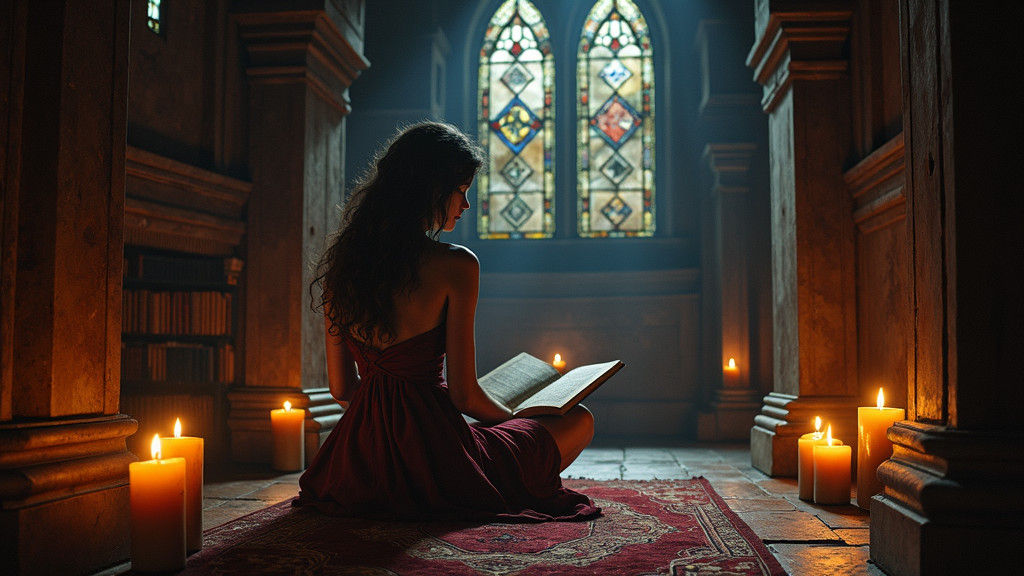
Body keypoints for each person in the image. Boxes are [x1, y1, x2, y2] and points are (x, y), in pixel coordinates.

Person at [294, 121, 599, 521]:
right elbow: (464, 397)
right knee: (578, 419)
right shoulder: (456, 264)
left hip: (357, 462)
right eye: (463, 191)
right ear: (432, 188)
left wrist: (386, 417)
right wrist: (520, 418)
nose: (466, 205)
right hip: (440, 455)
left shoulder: (341, 271)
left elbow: (341, 389)